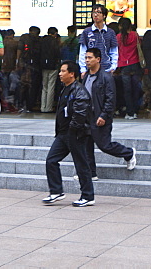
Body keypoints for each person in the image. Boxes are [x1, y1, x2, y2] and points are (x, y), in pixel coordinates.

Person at [42, 61, 94, 207]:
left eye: (63, 71)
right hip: (63, 134)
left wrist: (73, 131)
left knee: (81, 164)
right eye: (60, 71)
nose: (60, 73)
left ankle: (88, 196)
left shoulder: (79, 91)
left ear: (72, 74)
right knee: (51, 160)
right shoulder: (65, 89)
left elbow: (80, 115)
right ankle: (56, 191)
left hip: (76, 134)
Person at [82, 47, 135, 178]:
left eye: (90, 58)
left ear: (98, 59)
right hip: (87, 116)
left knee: (104, 145)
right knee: (86, 146)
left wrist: (104, 115)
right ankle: (90, 173)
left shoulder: (106, 77)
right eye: (86, 58)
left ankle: (128, 153)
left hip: (100, 115)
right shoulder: (85, 77)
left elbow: (110, 99)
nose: (87, 61)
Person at [115, 17, 143, 120]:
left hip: (123, 65)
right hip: (135, 63)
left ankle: (129, 112)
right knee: (135, 88)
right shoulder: (135, 35)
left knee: (127, 90)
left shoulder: (118, 37)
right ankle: (135, 111)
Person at [78, 4, 117, 73]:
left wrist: (113, 67)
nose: (95, 15)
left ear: (104, 15)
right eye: (94, 12)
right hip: (90, 70)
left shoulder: (110, 32)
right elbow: (82, 52)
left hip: (107, 69)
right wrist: (83, 69)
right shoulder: (86, 31)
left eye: (99, 12)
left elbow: (114, 51)